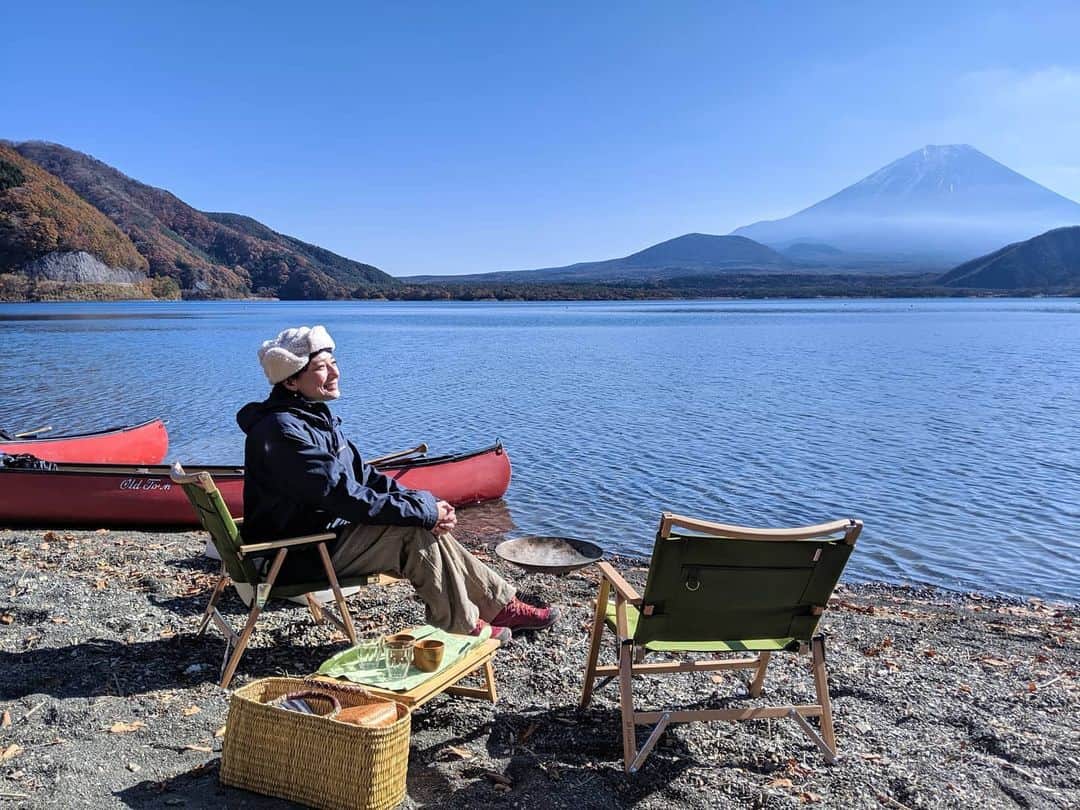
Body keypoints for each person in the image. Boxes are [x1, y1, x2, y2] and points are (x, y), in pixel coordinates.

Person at [237, 325, 556, 642]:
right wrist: (423, 513)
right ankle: (463, 625)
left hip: (319, 538)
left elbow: (366, 478)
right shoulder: (282, 432)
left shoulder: (312, 418)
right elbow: (344, 496)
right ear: (291, 381)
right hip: (292, 555)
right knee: (412, 534)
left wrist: (426, 504)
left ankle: (500, 605)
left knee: (422, 523)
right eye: (322, 367)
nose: (335, 373)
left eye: (334, 363)